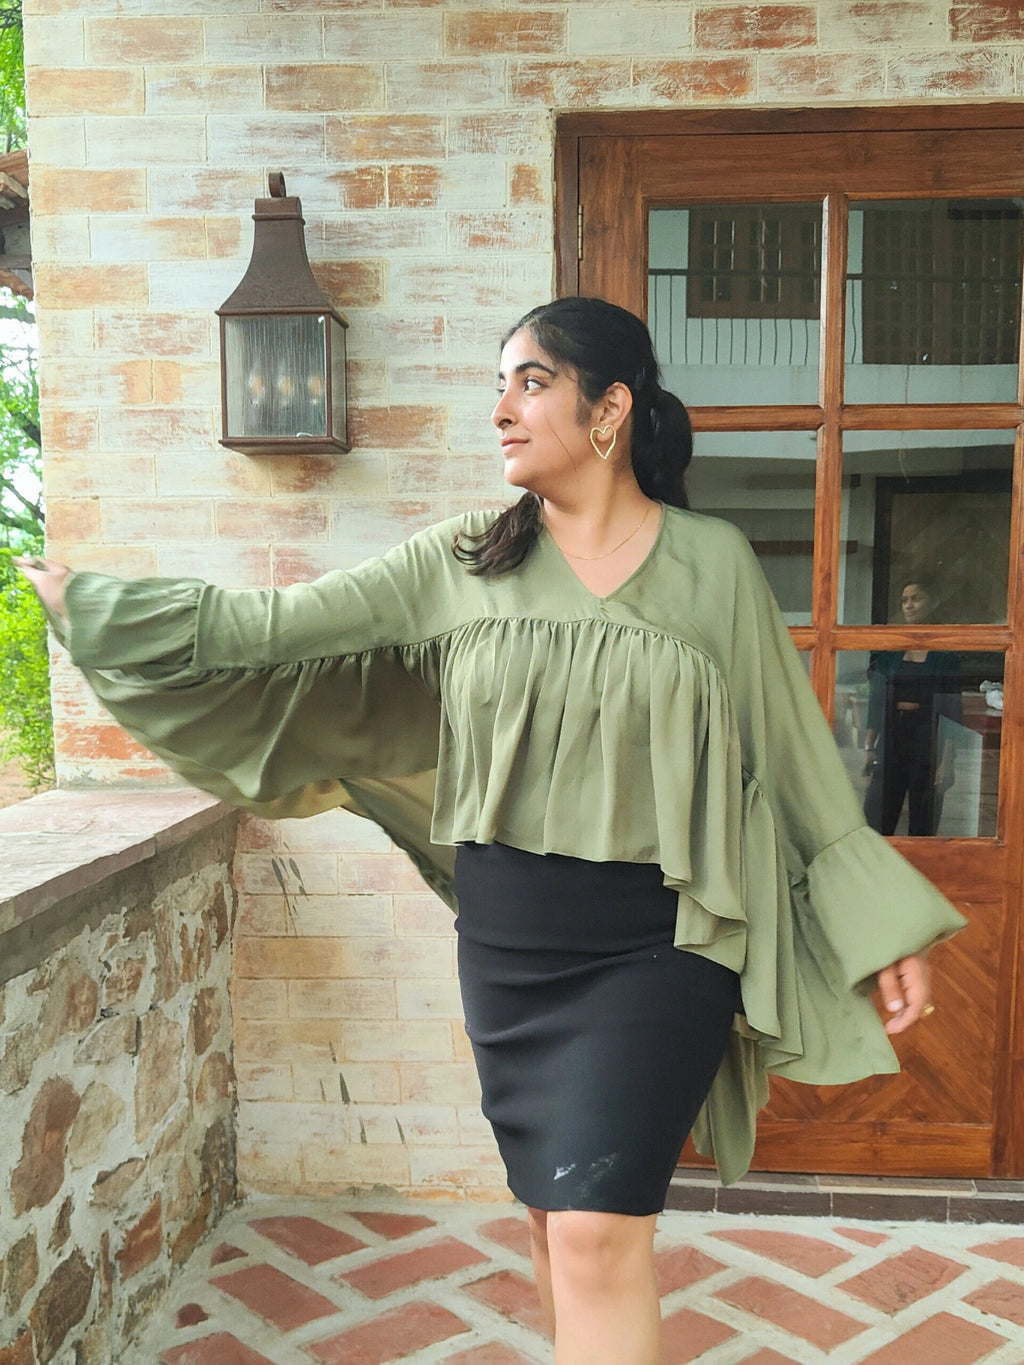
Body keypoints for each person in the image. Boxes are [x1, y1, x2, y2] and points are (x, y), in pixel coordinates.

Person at [17, 298, 964, 1365]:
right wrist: (97, 607)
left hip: (662, 947)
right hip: (511, 950)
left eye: (531, 382)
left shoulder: (713, 565)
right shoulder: (463, 559)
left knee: (599, 1231)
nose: (502, 410)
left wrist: (882, 925)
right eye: (498, 386)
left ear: (610, 409)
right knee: (553, 1218)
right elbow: (271, 633)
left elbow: (790, 755)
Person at [863, 578, 962, 837]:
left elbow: (952, 710)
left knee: (923, 817)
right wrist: (869, 746)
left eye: (916, 598)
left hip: (927, 738)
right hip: (892, 735)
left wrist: (947, 761)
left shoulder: (945, 655)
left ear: (933, 602)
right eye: (904, 600)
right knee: (877, 813)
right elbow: (877, 700)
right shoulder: (891, 652)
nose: (909, 605)